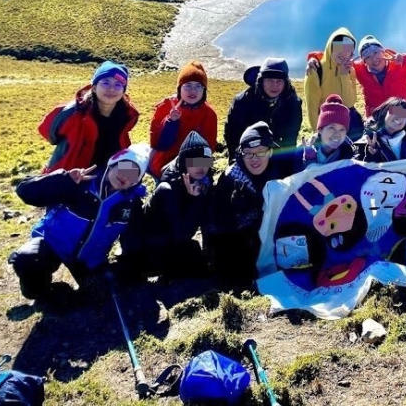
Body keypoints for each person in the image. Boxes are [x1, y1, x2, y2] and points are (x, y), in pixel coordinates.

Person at [8, 145, 149, 301]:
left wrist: (132, 266)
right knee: (27, 263)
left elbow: (133, 239)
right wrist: (62, 180)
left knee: (99, 295)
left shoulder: (131, 204)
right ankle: (44, 294)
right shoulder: (79, 181)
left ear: (135, 183)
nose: (126, 177)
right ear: (112, 163)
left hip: (90, 259)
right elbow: (24, 191)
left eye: (134, 176)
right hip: (53, 243)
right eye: (125, 168)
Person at [210, 122, 302, 284]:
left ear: (270, 151)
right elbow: (216, 227)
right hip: (240, 246)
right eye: (248, 153)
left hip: (273, 238)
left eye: (260, 152)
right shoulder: (231, 179)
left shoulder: (282, 172)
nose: (254, 159)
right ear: (241, 154)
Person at [119, 132, 215, 278]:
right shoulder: (168, 189)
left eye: (205, 161)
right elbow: (181, 235)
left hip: (171, 239)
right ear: (184, 163)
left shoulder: (203, 181)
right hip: (151, 245)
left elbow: (206, 221)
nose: (201, 167)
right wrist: (195, 199)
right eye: (195, 161)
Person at [38, 60, 139, 174]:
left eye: (118, 85)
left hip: (107, 176)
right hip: (68, 176)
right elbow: (47, 131)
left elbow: (122, 146)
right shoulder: (72, 112)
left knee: (135, 183)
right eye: (106, 83)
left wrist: (130, 175)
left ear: (123, 92)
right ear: (94, 88)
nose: (111, 89)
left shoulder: (127, 115)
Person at [148, 61, 219, 180]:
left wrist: (197, 173)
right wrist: (171, 121)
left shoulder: (210, 114)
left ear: (204, 90)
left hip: (195, 166)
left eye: (198, 86)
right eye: (188, 85)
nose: (193, 91)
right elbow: (157, 144)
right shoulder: (166, 106)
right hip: (165, 163)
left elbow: (209, 149)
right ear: (179, 88)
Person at [224, 57, 303, 160]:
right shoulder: (242, 102)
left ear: (285, 83)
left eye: (279, 81)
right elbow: (232, 135)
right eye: (270, 80)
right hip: (248, 153)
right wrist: (236, 159)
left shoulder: (293, 103)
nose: (274, 85)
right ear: (261, 81)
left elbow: (291, 137)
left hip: (276, 153)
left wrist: (286, 163)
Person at [351, 35, 406, 117]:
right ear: (364, 61)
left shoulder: (399, 66)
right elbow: (342, 68)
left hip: (401, 115)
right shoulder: (359, 70)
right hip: (377, 117)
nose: (374, 59)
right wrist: (347, 63)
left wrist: (405, 59)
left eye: (375, 52)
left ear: (383, 52)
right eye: (368, 56)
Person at [304, 28, 361, 138]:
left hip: (349, 123)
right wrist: (317, 132)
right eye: (339, 47)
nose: (344, 53)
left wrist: (344, 74)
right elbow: (312, 106)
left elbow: (350, 102)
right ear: (331, 47)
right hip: (327, 123)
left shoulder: (350, 70)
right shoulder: (315, 70)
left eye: (348, 49)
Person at [359, 97, 406, 163]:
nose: (399, 117)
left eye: (404, 114)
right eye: (395, 112)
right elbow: (359, 167)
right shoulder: (368, 139)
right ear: (384, 113)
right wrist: (372, 156)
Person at [302, 95, 356, 168]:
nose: (337, 134)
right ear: (320, 130)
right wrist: (309, 160)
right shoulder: (302, 152)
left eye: (342, 129)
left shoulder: (350, 154)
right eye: (332, 128)